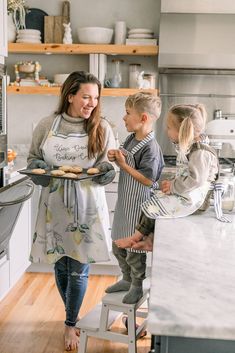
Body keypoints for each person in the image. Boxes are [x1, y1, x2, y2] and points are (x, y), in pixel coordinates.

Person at [27, 71, 116, 351]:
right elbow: (33, 160)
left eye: (96, 98)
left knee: (78, 268)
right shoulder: (46, 125)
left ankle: (69, 323)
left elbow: (108, 168)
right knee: (60, 264)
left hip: (87, 209)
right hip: (54, 207)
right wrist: (42, 172)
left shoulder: (102, 128)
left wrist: (103, 172)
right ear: (70, 96)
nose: (91, 103)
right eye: (86, 96)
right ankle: (73, 318)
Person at [115, 103, 220, 252]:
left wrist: (172, 186)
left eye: (169, 128)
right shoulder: (193, 147)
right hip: (186, 194)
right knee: (154, 200)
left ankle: (135, 237)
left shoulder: (200, 153)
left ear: (183, 130)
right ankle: (149, 241)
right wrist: (172, 185)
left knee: (154, 206)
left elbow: (196, 180)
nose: (166, 130)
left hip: (192, 200)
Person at [105, 92, 164, 304]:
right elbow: (125, 157)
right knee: (117, 245)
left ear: (143, 118)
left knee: (133, 251)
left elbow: (148, 181)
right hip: (125, 204)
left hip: (140, 207)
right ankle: (126, 278)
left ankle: (137, 285)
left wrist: (123, 165)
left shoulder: (151, 148)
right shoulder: (131, 138)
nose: (124, 117)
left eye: (128, 113)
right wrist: (116, 155)